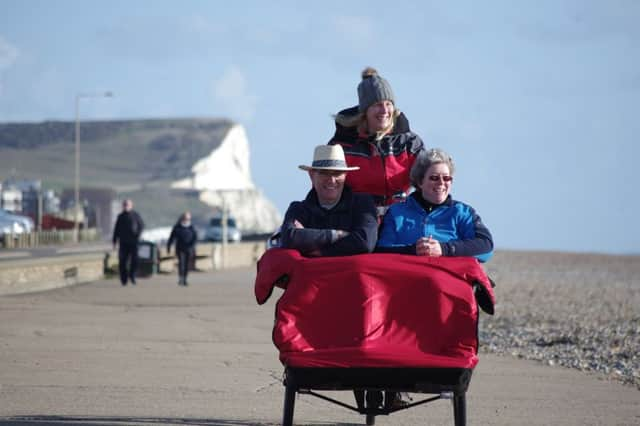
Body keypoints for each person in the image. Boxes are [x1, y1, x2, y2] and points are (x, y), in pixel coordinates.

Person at [328, 67, 424, 216]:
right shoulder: (342, 145)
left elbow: (427, 181)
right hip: (356, 216)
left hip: (400, 215)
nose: (385, 110)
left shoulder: (409, 142)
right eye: (377, 105)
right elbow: (326, 185)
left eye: (388, 104)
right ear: (365, 111)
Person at [377, 148, 494, 262]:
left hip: (449, 277)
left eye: (447, 178)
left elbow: (486, 247)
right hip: (408, 275)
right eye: (434, 178)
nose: (441, 183)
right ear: (420, 182)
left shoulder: (462, 213)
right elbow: (381, 249)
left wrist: (444, 249)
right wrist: (414, 250)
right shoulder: (396, 212)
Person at [279, 144, 378, 257]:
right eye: (324, 173)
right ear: (312, 175)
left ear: (345, 175)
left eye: (337, 173)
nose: (331, 180)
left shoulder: (362, 204)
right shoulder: (298, 209)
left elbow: (365, 242)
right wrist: (336, 235)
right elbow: (289, 238)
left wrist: (318, 251)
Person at [112, 199, 145, 286]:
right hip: (123, 242)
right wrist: (114, 241)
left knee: (135, 260)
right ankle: (124, 279)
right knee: (122, 261)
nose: (126, 206)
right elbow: (116, 229)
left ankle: (132, 275)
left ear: (131, 206)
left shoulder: (135, 215)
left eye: (128, 205)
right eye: (125, 205)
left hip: (134, 242)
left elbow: (141, 225)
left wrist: (138, 234)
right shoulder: (120, 216)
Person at [167, 211, 198, 286]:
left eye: (188, 218)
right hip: (180, 248)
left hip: (189, 248)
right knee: (181, 263)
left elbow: (195, 238)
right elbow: (172, 237)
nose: (186, 220)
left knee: (187, 264)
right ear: (182, 218)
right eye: (185, 218)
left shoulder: (192, 227)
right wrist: (168, 246)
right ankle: (181, 278)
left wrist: (192, 246)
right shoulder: (177, 227)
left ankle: (185, 279)